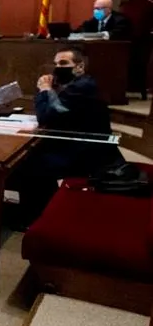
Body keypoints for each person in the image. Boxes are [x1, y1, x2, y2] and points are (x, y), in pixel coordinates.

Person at [8, 47, 123, 227]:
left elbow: (48, 115)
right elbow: (59, 114)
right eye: (55, 64)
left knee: (28, 164)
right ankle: (41, 209)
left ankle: (34, 217)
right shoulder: (77, 84)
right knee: (30, 156)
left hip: (88, 151)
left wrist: (45, 90)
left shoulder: (83, 86)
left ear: (79, 66)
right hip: (75, 141)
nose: (57, 67)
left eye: (63, 63)